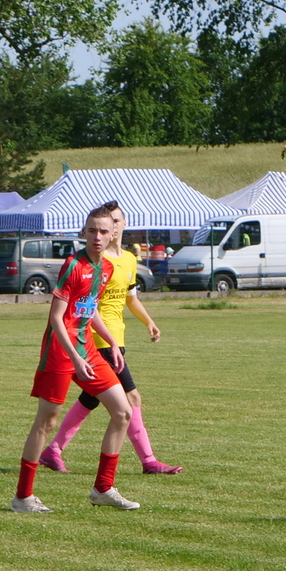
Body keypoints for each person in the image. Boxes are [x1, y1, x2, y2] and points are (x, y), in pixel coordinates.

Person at [11, 203, 140, 513]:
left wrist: (110, 341)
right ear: (84, 232)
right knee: (46, 422)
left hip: (86, 349)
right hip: (60, 350)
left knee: (123, 412)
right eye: (92, 230)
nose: (97, 236)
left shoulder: (106, 268)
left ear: (113, 234)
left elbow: (89, 309)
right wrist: (74, 357)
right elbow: (57, 318)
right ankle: (23, 498)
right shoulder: (73, 265)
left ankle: (103, 489)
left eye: (103, 231)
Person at [40, 202, 181, 475]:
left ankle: (53, 450)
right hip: (96, 339)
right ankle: (149, 461)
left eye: (116, 221)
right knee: (132, 396)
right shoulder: (96, 261)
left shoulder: (128, 259)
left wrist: (149, 321)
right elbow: (85, 304)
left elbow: (131, 298)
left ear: (122, 225)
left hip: (117, 338)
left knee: (91, 398)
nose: (111, 227)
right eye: (106, 223)